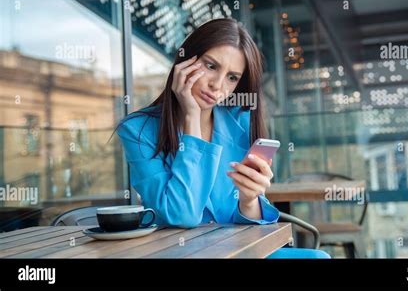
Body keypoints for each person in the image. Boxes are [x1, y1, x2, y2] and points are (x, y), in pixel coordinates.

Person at [116, 18, 330, 259]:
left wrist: (249, 200)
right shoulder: (138, 130)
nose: (217, 85)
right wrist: (191, 116)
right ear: (186, 62)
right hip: (181, 253)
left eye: (232, 77)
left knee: (318, 258)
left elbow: (251, 222)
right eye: (211, 66)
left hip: (240, 250)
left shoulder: (240, 123)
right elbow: (181, 215)